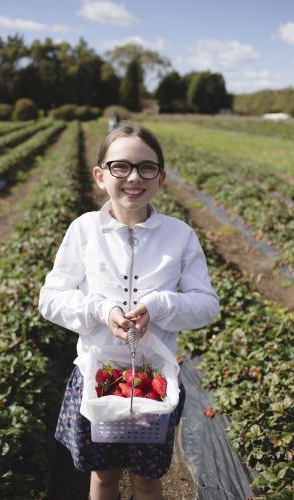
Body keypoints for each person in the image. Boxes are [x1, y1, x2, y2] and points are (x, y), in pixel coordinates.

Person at [38, 122, 219, 500]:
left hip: (154, 382)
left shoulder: (180, 235)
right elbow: (51, 299)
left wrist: (159, 305)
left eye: (146, 167)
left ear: (161, 178)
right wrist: (101, 310)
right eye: (121, 166)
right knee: (103, 477)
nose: (134, 177)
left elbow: (206, 306)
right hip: (96, 379)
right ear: (100, 175)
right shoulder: (83, 230)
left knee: (147, 479)